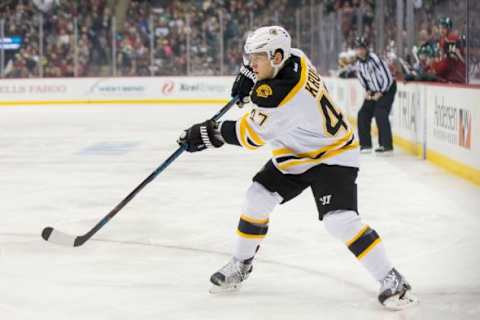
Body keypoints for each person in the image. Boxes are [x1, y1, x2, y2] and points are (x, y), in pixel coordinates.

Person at [178, 26, 417, 310]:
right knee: (257, 197)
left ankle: (393, 281)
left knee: (339, 220)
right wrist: (249, 74)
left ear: (277, 56)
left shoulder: (284, 97)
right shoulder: (296, 57)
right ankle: (241, 265)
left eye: (258, 58)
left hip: (333, 155)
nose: (253, 62)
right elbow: (264, 80)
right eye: (250, 57)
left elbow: (250, 136)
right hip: (295, 154)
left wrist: (208, 134)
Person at [354, 36, 396, 154]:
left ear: (367, 49)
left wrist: (381, 92)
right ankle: (365, 144)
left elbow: (388, 78)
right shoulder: (358, 64)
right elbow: (363, 79)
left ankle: (386, 145)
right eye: (358, 48)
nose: (360, 51)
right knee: (362, 114)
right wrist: (367, 91)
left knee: (380, 112)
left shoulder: (375, 59)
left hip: (387, 89)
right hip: (373, 90)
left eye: (362, 48)